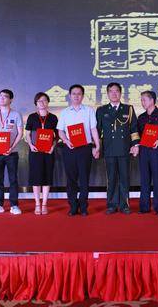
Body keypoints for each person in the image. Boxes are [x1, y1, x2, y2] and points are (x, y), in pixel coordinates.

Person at [96, 83, 140, 215]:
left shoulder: (128, 109)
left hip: (125, 149)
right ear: (107, 93)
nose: (114, 93)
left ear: (121, 93)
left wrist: (135, 145)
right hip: (109, 149)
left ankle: (124, 205)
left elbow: (134, 129)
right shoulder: (101, 110)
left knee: (124, 178)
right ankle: (112, 204)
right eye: (111, 91)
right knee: (111, 178)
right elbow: (97, 131)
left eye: (116, 91)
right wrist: (95, 147)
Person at [57, 84, 101, 216]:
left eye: (79, 94)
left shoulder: (89, 110)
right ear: (70, 96)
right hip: (69, 148)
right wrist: (66, 140)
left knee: (84, 178)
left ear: (83, 96)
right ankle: (73, 206)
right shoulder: (65, 112)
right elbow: (60, 131)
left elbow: (93, 129)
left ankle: (83, 206)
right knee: (71, 179)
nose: (76, 96)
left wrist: (97, 146)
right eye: (74, 94)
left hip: (85, 148)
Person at [134, 91, 158, 215]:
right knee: (144, 179)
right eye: (141, 100)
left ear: (152, 100)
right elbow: (137, 134)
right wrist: (136, 146)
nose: (142, 102)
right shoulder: (141, 117)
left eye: (144, 100)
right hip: (144, 151)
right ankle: (144, 207)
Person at [0, 89, 23, 215]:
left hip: (12, 153)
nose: (2, 98)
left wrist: (11, 148)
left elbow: (20, 133)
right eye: (0, 96)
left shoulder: (16, 114)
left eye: (5, 96)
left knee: (13, 179)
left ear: (11, 99)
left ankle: (14, 205)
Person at [25, 92, 58, 215]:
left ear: (48, 102)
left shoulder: (53, 118)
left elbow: (57, 136)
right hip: (35, 151)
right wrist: (31, 145)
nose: (42, 103)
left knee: (47, 176)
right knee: (36, 177)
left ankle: (44, 204)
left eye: (44, 100)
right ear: (36, 103)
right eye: (39, 101)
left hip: (48, 152)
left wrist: (53, 147)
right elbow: (27, 134)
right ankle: (37, 204)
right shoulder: (32, 117)